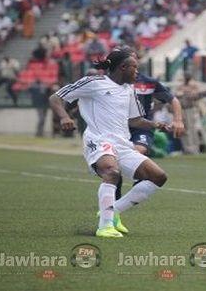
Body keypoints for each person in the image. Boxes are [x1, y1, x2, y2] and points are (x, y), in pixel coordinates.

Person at [49, 48, 172, 238]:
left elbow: (135, 120)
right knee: (112, 173)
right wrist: (64, 117)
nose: (137, 72)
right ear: (123, 67)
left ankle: (112, 210)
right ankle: (105, 226)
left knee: (158, 177)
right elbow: (55, 98)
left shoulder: (129, 90)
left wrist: (156, 124)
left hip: (122, 143)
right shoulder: (93, 83)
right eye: (135, 67)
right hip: (98, 140)